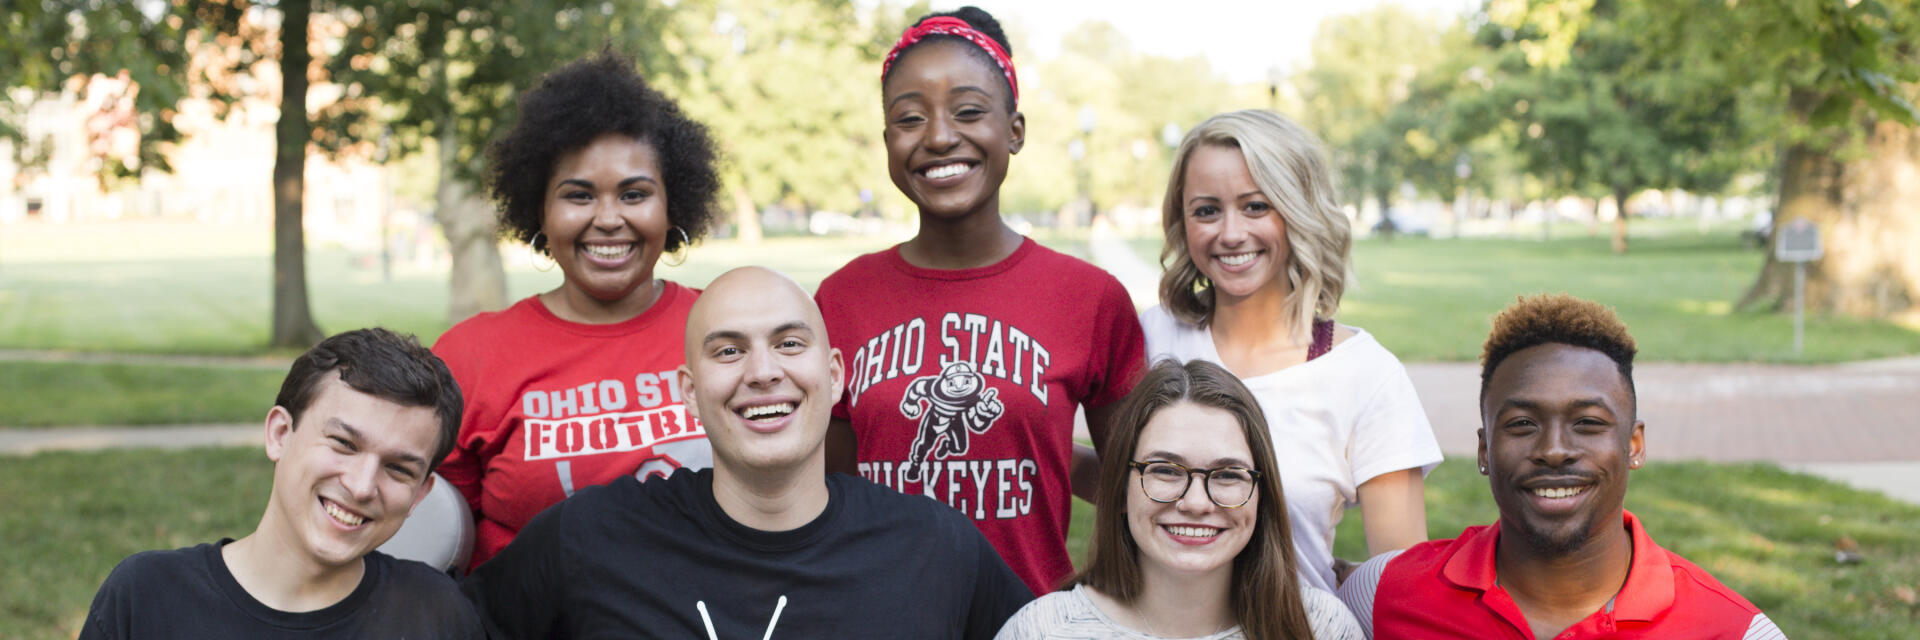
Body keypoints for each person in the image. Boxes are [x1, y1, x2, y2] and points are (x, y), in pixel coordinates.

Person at [463, 266, 1033, 638]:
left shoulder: (933, 546)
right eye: (729, 351)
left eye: (789, 344)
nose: (763, 372)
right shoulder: (590, 536)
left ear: (834, 376)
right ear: (689, 392)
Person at [816, 5, 1148, 595]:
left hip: (1028, 621)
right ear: (888, 140)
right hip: (878, 616)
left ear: (1014, 130)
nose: (940, 136)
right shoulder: (841, 298)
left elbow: (1140, 485)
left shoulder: (1089, 297)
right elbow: (826, 493)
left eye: (969, 111)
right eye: (909, 118)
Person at [1336, 295, 1787, 639]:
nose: (1554, 450)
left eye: (1588, 423)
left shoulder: (1733, 631)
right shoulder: (1383, 596)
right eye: (1522, 423)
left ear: (1634, 444)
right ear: (1483, 451)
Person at [430, 50, 722, 569]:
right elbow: (434, 534)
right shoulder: (470, 356)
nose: (608, 219)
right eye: (578, 195)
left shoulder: (725, 328)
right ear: (538, 211)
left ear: (672, 207)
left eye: (634, 194)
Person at [1139, 110, 1440, 591]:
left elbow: (1403, 584)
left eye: (1256, 206)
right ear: (1182, 222)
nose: (1231, 233)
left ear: (1300, 211)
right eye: (1206, 210)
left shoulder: (1366, 373)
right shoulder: (1145, 340)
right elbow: (1126, 482)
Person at [79, 329, 481, 639]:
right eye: (343, 444)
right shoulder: (147, 597)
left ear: (420, 495)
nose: (361, 487)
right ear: (279, 434)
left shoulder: (436, 615)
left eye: (397, 469)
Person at [996, 359, 1363, 640]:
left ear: (1260, 496)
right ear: (1122, 489)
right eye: (1167, 471)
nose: (1196, 503)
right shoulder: (1042, 631)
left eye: (1228, 475)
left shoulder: (1320, 628)